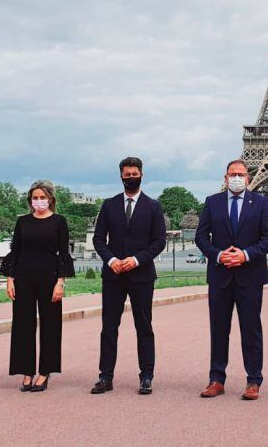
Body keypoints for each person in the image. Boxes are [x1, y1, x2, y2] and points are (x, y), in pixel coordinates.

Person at [194, 159, 268, 400]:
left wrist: (245, 254)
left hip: (250, 275)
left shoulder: (260, 202)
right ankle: (216, 379)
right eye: (233, 174)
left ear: (249, 178)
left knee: (251, 330)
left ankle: (254, 380)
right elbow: (201, 237)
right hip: (220, 275)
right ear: (225, 177)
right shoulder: (212, 202)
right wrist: (219, 256)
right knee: (218, 330)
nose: (237, 177)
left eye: (241, 173)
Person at [90, 157, 167, 395]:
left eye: (134, 173)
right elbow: (99, 239)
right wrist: (112, 260)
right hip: (113, 274)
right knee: (108, 327)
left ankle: (146, 376)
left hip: (141, 274)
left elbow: (159, 242)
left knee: (144, 326)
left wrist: (136, 260)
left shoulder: (153, 206)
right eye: (127, 174)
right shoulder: (109, 205)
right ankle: (105, 376)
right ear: (120, 176)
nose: (130, 177)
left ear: (142, 174)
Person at [7, 180, 75, 392]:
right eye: (35, 198)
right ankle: (26, 372)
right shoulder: (23, 222)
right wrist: (10, 279)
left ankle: (45, 372)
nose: (39, 201)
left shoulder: (59, 222)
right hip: (23, 276)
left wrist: (60, 282)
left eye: (42, 198)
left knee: (50, 325)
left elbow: (63, 253)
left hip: (50, 277)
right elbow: (15, 251)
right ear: (30, 200)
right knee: (23, 325)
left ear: (51, 199)